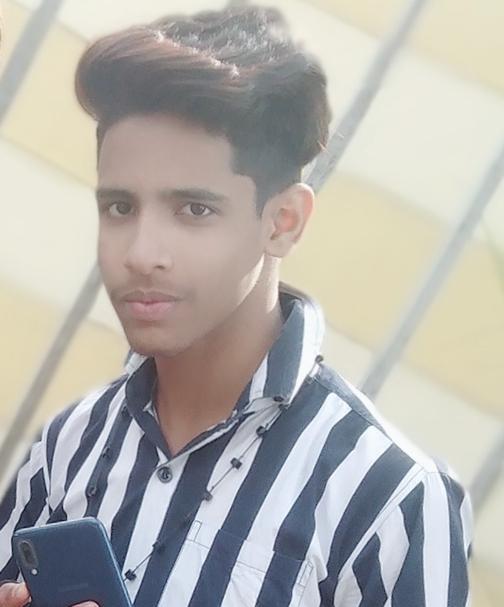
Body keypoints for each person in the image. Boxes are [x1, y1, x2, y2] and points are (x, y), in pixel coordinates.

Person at [0, 5, 471, 606]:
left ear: (283, 221)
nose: (142, 254)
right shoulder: (70, 443)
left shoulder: (389, 499)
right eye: (120, 207)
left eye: (194, 210)